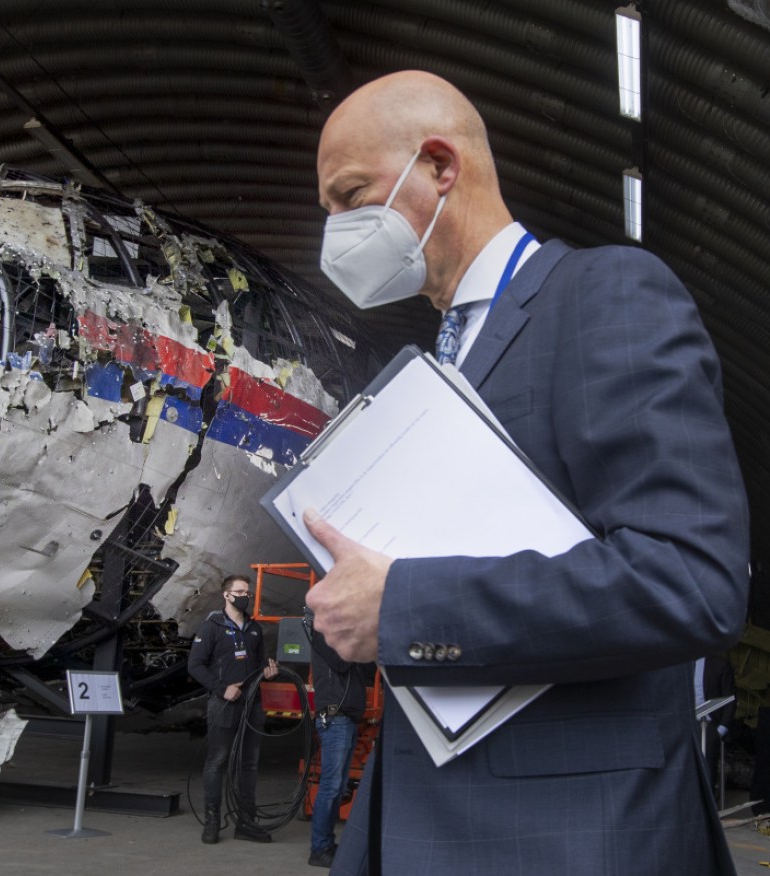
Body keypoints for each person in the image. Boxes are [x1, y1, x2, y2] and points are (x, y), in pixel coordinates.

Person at [303, 71, 749, 875]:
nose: (332, 230)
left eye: (350, 196)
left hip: (568, 835)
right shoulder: (428, 370)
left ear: (440, 166)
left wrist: (401, 603)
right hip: (412, 822)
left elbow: (690, 579)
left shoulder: (605, 295)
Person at [187, 573, 279, 844]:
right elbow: (195, 666)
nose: (245, 596)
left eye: (247, 592)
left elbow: (258, 663)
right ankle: (212, 820)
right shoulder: (212, 627)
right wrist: (221, 688)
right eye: (240, 591)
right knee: (218, 761)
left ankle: (246, 822)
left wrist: (268, 673)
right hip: (224, 704)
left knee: (248, 764)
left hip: (252, 704)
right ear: (226, 595)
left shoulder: (254, 628)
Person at [305, 631, 374, 869]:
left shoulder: (347, 641)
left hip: (347, 719)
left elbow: (368, 671)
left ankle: (326, 843)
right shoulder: (324, 635)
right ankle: (319, 848)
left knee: (338, 787)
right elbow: (341, 663)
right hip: (335, 719)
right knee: (331, 787)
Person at [696, 653, 737, 792]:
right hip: (685, 724)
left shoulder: (720, 664)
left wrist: (721, 730)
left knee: (707, 771)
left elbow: (730, 698)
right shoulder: (681, 665)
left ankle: (707, 808)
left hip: (710, 724)